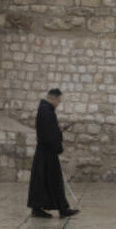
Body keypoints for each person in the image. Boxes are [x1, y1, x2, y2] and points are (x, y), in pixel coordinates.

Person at [27, 88, 79, 218]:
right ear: (54, 98)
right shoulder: (46, 111)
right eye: (59, 101)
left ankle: (53, 208)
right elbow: (49, 135)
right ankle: (58, 209)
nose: (58, 104)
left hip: (45, 152)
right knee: (51, 181)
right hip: (47, 152)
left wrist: (60, 129)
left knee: (44, 180)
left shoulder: (46, 110)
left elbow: (50, 130)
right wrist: (58, 147)